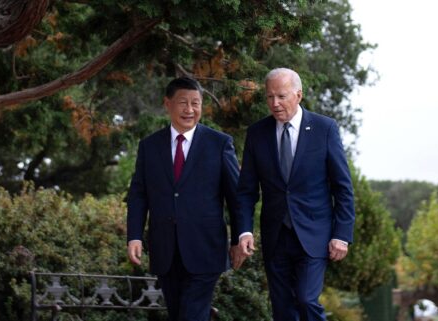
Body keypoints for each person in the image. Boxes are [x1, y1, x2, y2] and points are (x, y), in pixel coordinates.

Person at [236, 68, 355, 321]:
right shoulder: (257, 133)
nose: (274, 103)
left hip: (314, 234)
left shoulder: (325, 129)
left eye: (281, 96)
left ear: (298, 95)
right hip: (275, 235)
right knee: (282, 309)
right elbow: (246, 190)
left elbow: (342, 187)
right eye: (269, 97)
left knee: (305, 299)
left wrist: (342, 234)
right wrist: (244, 230)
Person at [126, 77, 241, 321]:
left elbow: (236, 195)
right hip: (165, 249)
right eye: (183, 103)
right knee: (179, 313)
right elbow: (138, 194)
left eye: (196, 103)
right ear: (167, 104)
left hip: (206, 248)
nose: (190, 109)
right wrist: (134, 235)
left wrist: (241, 236)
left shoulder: (219, 144)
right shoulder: (149, 146)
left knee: (191, 314)